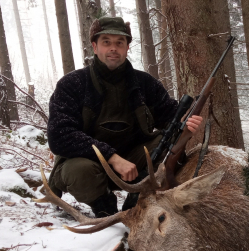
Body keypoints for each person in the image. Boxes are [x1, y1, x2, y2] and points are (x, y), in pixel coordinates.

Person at [47, 16, 203, 218]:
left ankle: (138, 202)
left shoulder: (145, 83)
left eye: (119, 43)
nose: (113, 48)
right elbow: (59, 136)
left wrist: (186, 124)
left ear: (127, 48)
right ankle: (104, 207)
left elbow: (170, 117)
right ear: (95, 47)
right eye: (106, 42)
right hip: (89, 165)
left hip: (133, 165)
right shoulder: (72, 84)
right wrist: (111, 157)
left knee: (170, 145)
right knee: (80, 170)